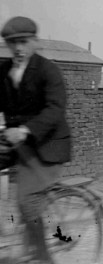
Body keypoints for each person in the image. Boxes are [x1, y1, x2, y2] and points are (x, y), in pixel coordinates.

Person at [0, 16, 72, 263]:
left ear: (34, 42)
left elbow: (55, 109)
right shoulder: (3, 70)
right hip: (18, 146)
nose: (18, 49)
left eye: (23, 42)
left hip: (47, 147)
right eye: (12, 44)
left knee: (27, 201)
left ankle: (43, 258)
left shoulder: (47, 71)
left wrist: (25, 130)